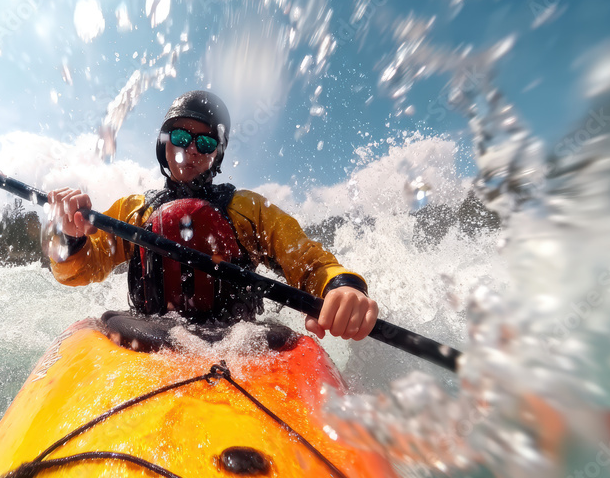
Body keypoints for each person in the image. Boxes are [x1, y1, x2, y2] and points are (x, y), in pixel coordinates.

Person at [46, 90, 378, 341]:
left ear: (216, 154)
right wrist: (71, 237)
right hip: (147, 334)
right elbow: (81, 270)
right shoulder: (134, 210)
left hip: (238, 340)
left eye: (204, 142)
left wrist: (342, 287)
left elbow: (308, 261)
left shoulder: (248, 209)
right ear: (164, 144)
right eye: (179, 137)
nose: (189, 149)